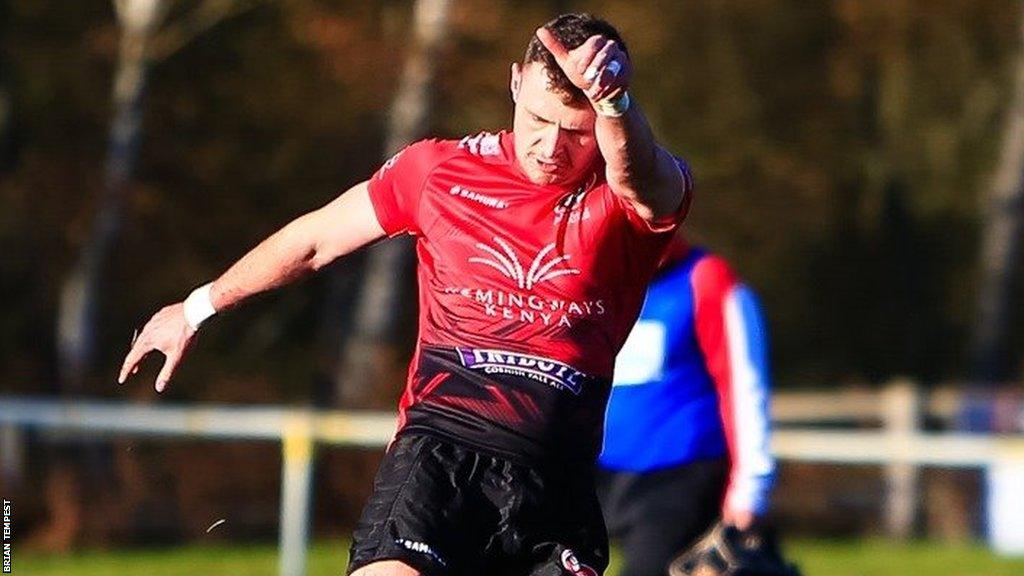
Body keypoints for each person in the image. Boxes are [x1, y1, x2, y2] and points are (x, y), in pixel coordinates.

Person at [120, 13, 693, 576]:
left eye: (575, 130)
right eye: (538, 119)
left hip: (557, 485)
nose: (550, 146)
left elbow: (640, 178)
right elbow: (317, 239)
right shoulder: (436, 171)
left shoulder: (628, 198)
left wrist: (614, 105)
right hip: (439, 457)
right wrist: (199, 306)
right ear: (515, 81)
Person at [596, 238, 776, 576]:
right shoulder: (596, 279)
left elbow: (744, 385)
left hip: (678, 473)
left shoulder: (705, 278)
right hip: (598, 470)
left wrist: (751, 488)